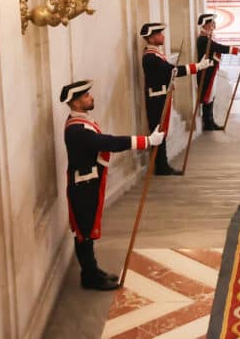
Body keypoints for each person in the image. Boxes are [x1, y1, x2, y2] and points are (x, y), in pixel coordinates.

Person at [61, 79, 165, 290]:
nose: (91, 98)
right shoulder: (77, 130)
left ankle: (91, 270)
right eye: (86, 96)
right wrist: (146, 141)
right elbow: (108, 142)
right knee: (84, 232)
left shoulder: (81, 123)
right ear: (75, 103)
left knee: (87, 230)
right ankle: (89, 277)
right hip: (83, 186)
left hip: (88, 182)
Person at [140, 22, 212, 175]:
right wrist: (197, 67)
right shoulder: (150, 57)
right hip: (156, 99)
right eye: (159, 34)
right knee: (158, 131)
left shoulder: (156, 54)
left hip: (161, 96)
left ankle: (162, 165)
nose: (163, 36)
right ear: (152, 38)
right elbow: (171, 71)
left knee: (162, 131)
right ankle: (161, 166)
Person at [196, 13, 240, 131]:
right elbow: (219, 48)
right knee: (208, 96)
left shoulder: (207, 38)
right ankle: (208, 123)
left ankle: (210, 122)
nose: (214, 25)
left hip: (211, 72)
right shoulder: (203, 39)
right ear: (205, 25)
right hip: (206, 73)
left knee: (211, 96)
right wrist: (237, 50)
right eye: (212, 23)